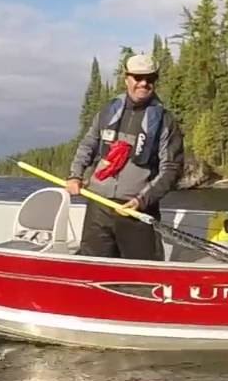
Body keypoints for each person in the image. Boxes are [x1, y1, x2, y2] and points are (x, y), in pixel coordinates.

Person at [66, 53, 184, 260]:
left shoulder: (166, 121)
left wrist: (142, 201)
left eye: (150, 78)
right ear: (126, 78)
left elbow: (171, 169)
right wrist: (75, 175)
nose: (143, 83)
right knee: (94, 266)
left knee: (141, 275)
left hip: (136, 210)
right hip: (99, 205)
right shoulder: (108, 111)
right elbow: (88, 144)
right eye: (138, 78)